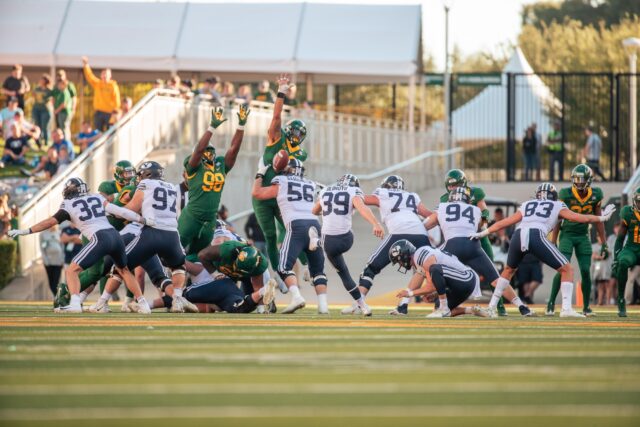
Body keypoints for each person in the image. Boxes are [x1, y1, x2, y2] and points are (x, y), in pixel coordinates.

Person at [472, 182, 616, 318]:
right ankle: (566, 309)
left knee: (508, 270)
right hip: (536, 235)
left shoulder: (528, 204)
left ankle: (492, 307)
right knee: (567, 270)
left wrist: (482, 233)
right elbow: (579, 218)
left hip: (518, 235)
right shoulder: (557, 204)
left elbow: (506, 222)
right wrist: (601, 218)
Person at [8, 177, 148, 313]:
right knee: (124, 271)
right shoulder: (97, 197)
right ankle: (143, 304)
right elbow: (120, 211)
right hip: (115, 235)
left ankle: (75, 303)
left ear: (69, 190)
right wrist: (142, 219)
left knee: (71, 271)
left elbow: (49, 222)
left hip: (100, 237)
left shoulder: (67, 205)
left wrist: (26, 230)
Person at [91, 161, 194, 314]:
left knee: (121, 265)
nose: (138, 177)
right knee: (178, 267)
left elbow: (131, 208)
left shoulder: (146, 184)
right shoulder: (172, 188)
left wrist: (110, 209)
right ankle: (177, 300)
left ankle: (102, 302)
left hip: (152, 233)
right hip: (172, 234)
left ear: (147, 174)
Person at [424, 186, 533, 316]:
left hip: (452, 245)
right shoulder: (475, 209)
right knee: (496, 280)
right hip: (472, 245)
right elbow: (479, 226)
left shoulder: (442, 208)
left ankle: (431, 294)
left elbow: (426, 225)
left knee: (430, 264)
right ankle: (521, 306)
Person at [252, 158, 328, 314]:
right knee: (318, 270)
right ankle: (323, 306)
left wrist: (259, 174)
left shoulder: (282, 181)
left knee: (282, 266)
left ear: (286, 169)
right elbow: (323, 199)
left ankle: (296, 297)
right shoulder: (310, 183)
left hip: (296, 225)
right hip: (314, 224)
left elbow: (257, 193)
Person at [252, 73, 309, 277]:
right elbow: (276, 117)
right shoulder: (277, 137)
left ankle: (307, 266)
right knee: (269, 236)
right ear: (287, 131)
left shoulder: (302, 153)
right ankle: (280, 274)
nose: (295, 136)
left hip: (280, 194)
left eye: (299, 133)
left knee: (294, 229)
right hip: (263, 192)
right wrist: (281, 93)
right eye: (292, 131)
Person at [178, 105, 248, 263]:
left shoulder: (221, 164)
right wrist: (212, 127)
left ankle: (191, 286)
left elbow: (234, 149)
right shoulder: (194, 166)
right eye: (206, 151)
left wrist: (241, 126)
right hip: (191, 217)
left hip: (210, 219)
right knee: (174, 252)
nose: (209, 152)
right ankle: (167, 284)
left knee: (200, 256)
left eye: (212, 150)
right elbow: (198, 149)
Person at [357, 175, 432, 316]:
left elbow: (361, 199)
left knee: (371, 268)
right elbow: (429, 215)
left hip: (399, 232)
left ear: (386, 185)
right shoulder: (412, 196)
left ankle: (358, 302)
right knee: (423, 269)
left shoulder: (383, 192)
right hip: (420, 233)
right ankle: (404, 305)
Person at [311, 174, 385, 316]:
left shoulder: (326, 191)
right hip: (346, 240)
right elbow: (362, 207)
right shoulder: (352, 191)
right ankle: (363, 306)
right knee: (348, 232)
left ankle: (318, 241)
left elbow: (314, 211)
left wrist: (326, 207)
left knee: (344, 274)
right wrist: (375, 223)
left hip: (328, 243)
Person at [440, 169, 508, 315]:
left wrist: (481, 224)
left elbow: (484, 211)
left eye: (455, 185)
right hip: (457, 239)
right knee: (445, 271)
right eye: (450, 186)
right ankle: (443, 303)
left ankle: (500, 305)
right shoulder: (445, 198)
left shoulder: (475, 192)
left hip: (478, 237)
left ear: (463, 183)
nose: (452, 189)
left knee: (492, 272)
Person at [547, 164, 606, 316]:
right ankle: (551, 303)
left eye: (581, 179)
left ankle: (586, 307)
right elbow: (558, 219)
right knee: (563, 269)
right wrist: (553, 241)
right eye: (576, 179)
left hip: (583, 236)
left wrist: (604, 242)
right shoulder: (565, 194)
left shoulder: (596, 194)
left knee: (586, 271)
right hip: (567, 235)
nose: (579, 182)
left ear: (589, 180)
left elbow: (599, 220)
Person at [389, 240, 489, 318]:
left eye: (399, 260)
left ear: (405, 255)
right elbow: (420, 285)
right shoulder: (419, 259)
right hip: (460, 283)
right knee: (438, 308)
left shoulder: (420, 256)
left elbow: (431, 285)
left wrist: (410, 294)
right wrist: (435, 294)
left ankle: (444, 308)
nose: (400, 264)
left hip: (466, 277)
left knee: (435, 269)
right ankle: (471, 310)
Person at [612, 189, 640, 317]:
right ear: (634, 202)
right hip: (632, 249)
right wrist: (616, 257)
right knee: (623, 262)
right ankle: (621, 299)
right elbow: (620, 239)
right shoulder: (628, 213)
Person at [82, 56, 121, 131]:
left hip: (109, 113)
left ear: (110, 76)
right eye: (103, 74)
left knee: (110, 131)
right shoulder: (98, 84)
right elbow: (90, 76)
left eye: (106, 74)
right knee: (98, 131)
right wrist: (86, 65)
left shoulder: (113, 86)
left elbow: (117, 99)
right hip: (99, 112)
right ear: (101, 75)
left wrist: (116, 111)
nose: (104, 76)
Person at [40, 224, 64, 296]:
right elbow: (42, 248)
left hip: (58, 261)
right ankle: (58, 297)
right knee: (51, 282)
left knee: (56, 281)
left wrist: (62, 258)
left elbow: (62, 247)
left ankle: (58, 298)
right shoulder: (43, 234)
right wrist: (45, 259)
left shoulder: (59, 232)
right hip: (48, 261)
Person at [31, 74, 53, 147]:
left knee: (45, 126)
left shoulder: (49, 90)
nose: (40, 81)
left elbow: (50, 100)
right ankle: (39, 142)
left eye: (42, 80)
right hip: (37, 109)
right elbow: (33, 95)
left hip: (45, 110)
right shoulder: (37, 89)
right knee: (38, 126)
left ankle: (46, 141)